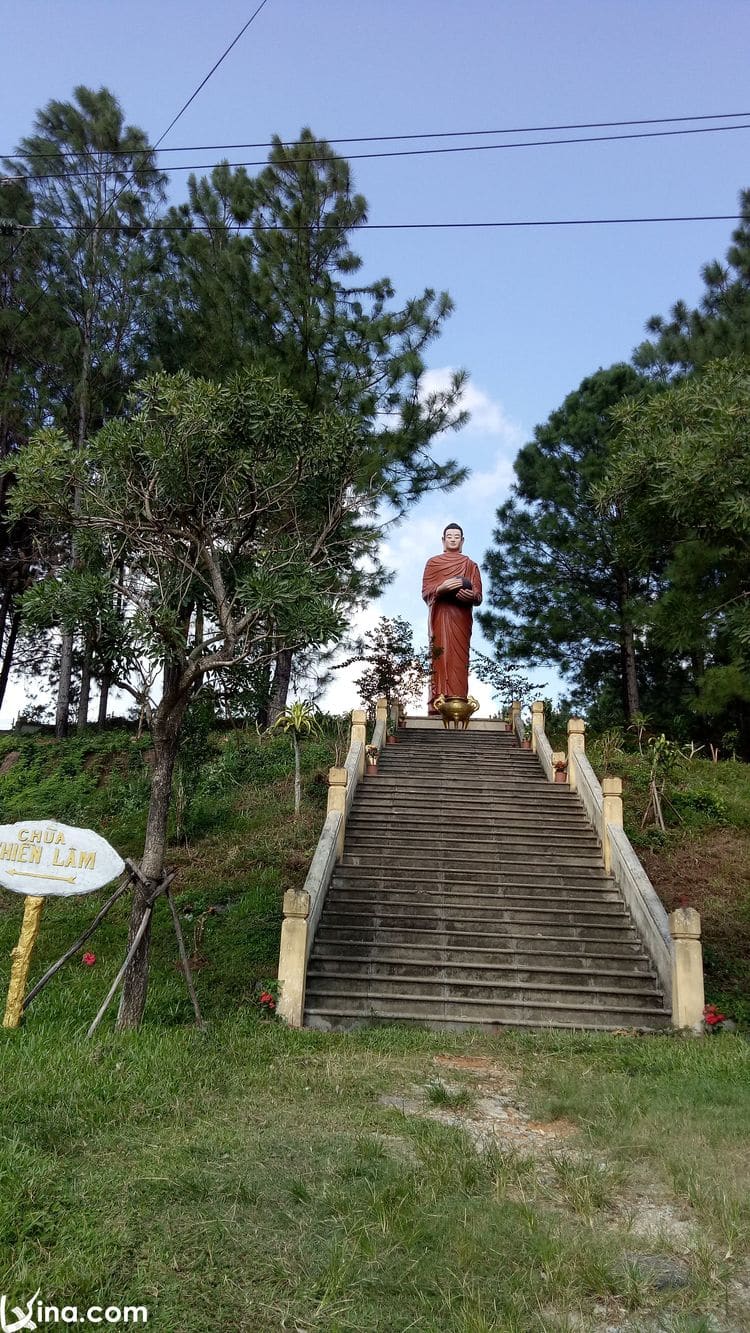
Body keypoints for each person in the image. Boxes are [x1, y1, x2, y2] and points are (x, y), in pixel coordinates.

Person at [421, 523, 482, 713]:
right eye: (450, 536)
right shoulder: (433, 563)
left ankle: (459, 701)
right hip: (440, 616)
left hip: (461, 618)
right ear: (443, 540)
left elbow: (478, 595)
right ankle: (437, 701)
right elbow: (426, 592)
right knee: (440, 655)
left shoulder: (470, 565)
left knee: (458, 658)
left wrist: (471, 596)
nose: (453, 539)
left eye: (457, 536)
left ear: (462, 541)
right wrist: (441, 589)